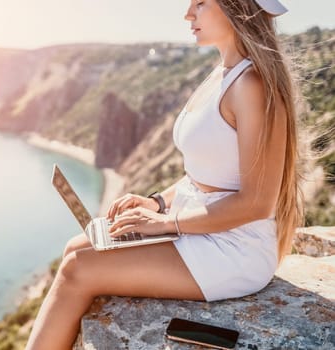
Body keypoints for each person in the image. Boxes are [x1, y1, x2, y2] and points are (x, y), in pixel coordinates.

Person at [26, 0, 303, 349]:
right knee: (76, 247)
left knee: (76, 269)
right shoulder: (221, 74)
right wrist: (156, 203)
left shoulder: (252, 85)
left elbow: (257, 204)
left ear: (239, 7)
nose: (188, 14)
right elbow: (202, 173)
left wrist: (167, 224)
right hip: (199, 228)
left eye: (201, 3)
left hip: (233, 249)